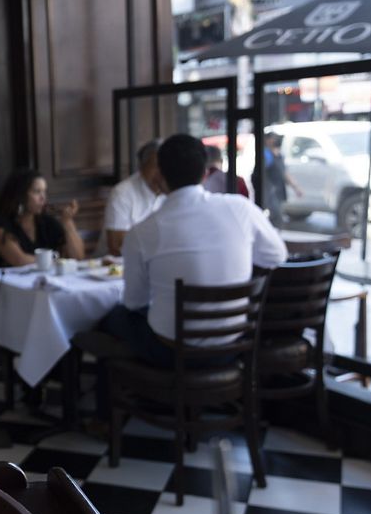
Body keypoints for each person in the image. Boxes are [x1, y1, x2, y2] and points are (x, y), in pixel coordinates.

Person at [99, 133, 287, 368]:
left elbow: (135, 301)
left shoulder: (142, 232)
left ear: (159, 177)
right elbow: (277, 256)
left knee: (112, 317)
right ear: (205, 173)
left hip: (172, 354)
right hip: (233, 346)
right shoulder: (240, 209)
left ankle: (118, 394)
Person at [0, 169, 85, 267]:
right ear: (20, 195)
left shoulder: (46, 222)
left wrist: (67, 222)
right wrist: (58, 262)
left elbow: (78, 257)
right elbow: (19, 260)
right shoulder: (1, 225)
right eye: (37, 191)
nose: (43, 197)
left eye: (44, 191)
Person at [99, 139, 165, 255]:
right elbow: (116, 244)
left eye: (165, 166)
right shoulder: (122, 193)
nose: (161, 173)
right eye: (156, 166)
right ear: (141, 167)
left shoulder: (173, 191)